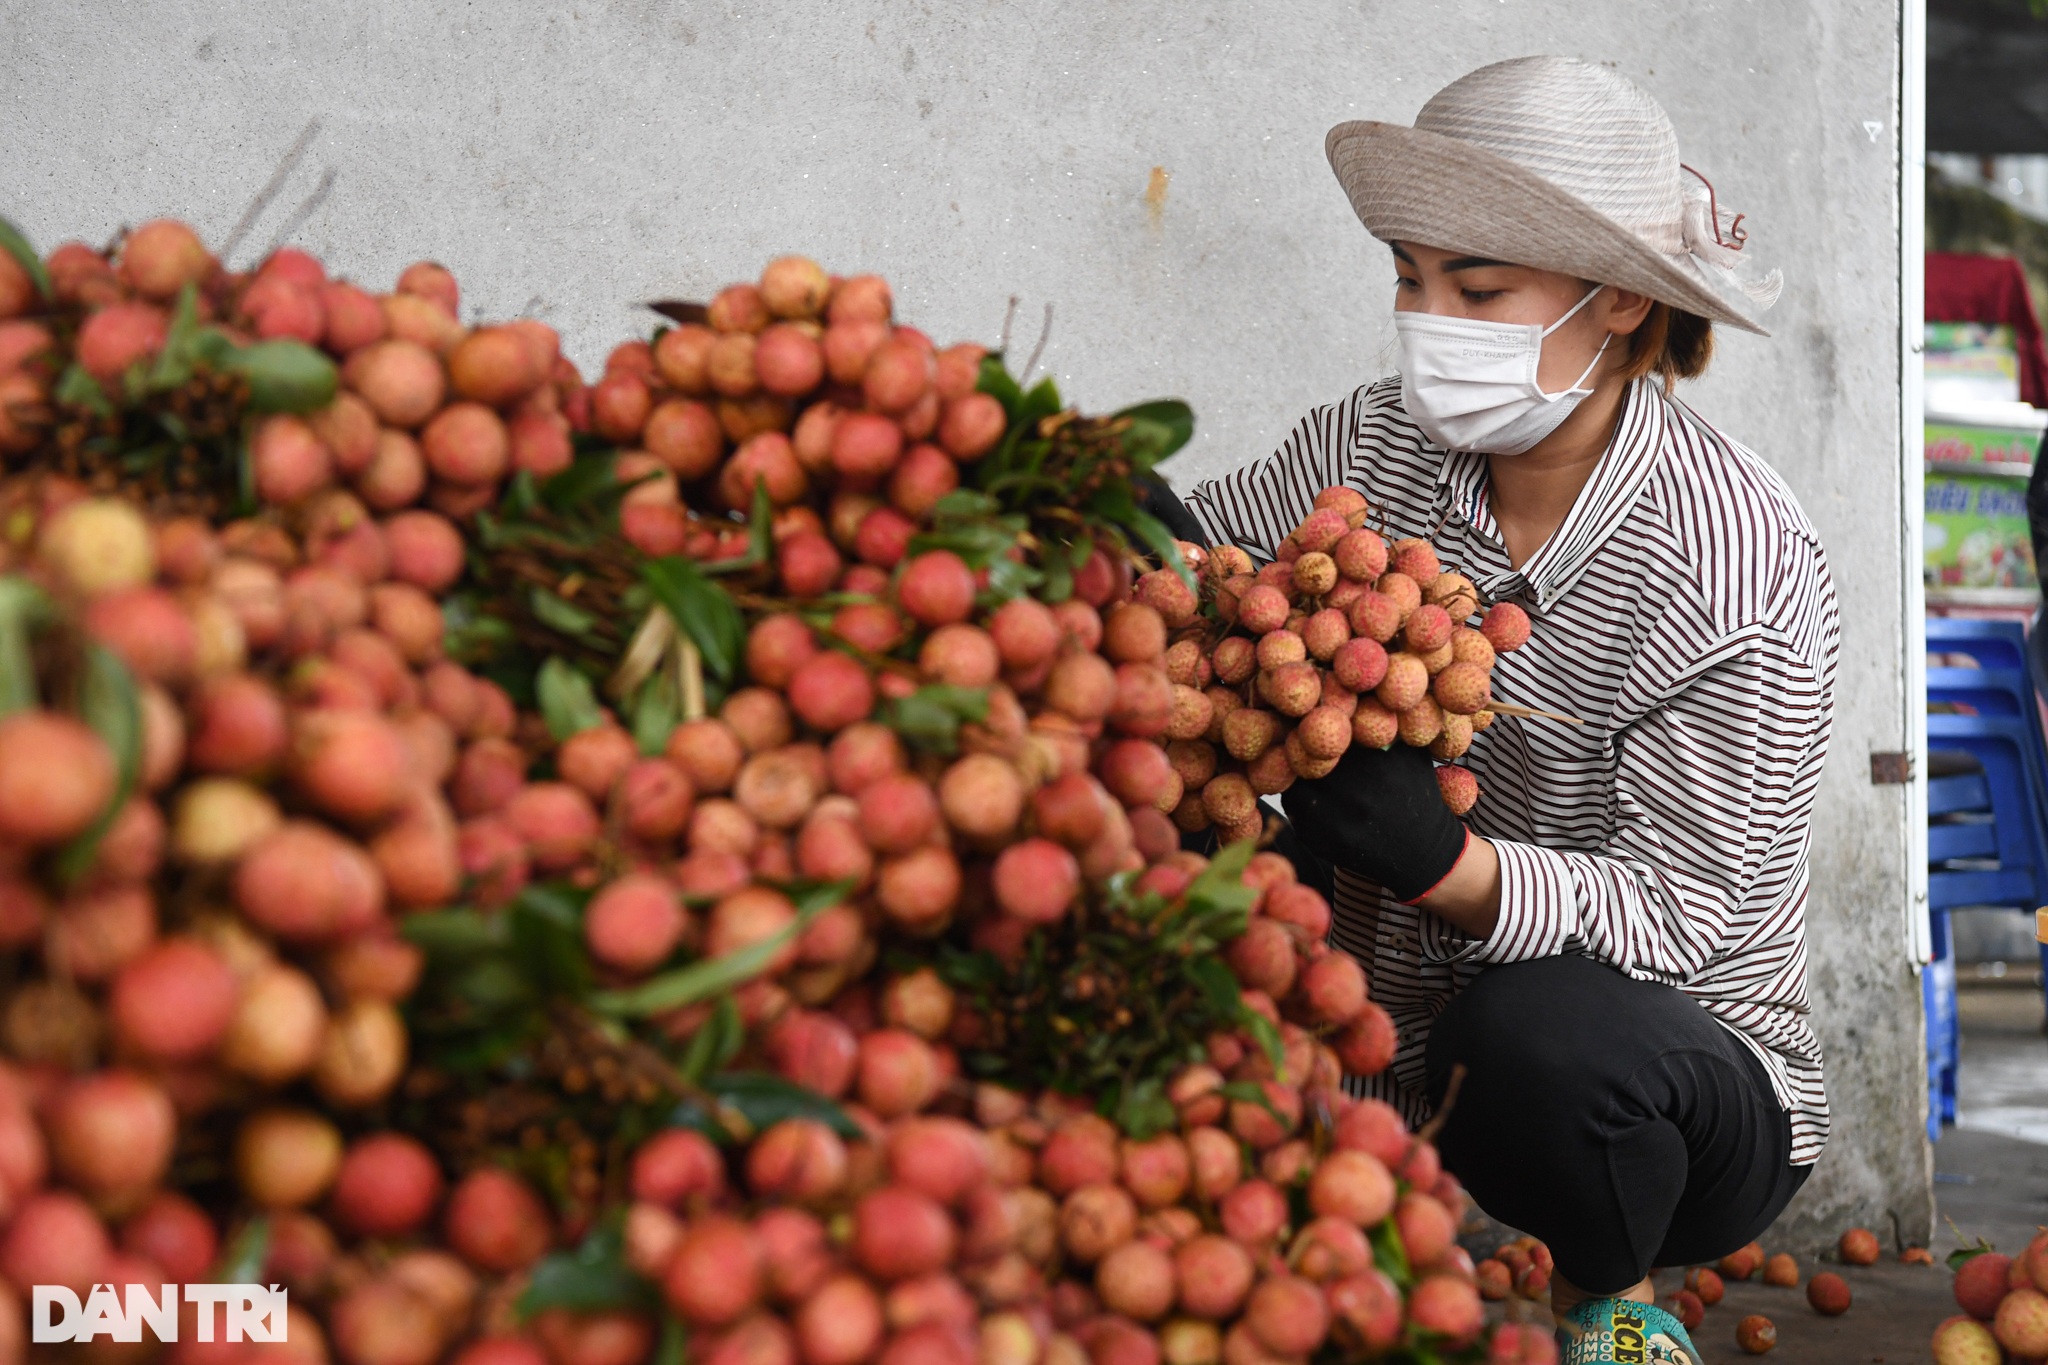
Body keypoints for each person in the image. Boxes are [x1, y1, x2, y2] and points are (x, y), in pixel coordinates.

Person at [1170, 56, 1839, 1364]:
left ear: (1625, 306)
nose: (1431, 320)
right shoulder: (1374, 448)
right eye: (1411, 280)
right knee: (1164, 846)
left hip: (1674, 1068)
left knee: (1540, 1028)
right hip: (1386, 1028)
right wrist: (1135, 539)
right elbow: (1210, 569)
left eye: (1477, 290)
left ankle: (1608, 1302)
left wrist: (1446, 864)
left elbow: (1682, 917)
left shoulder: (1733, 561)